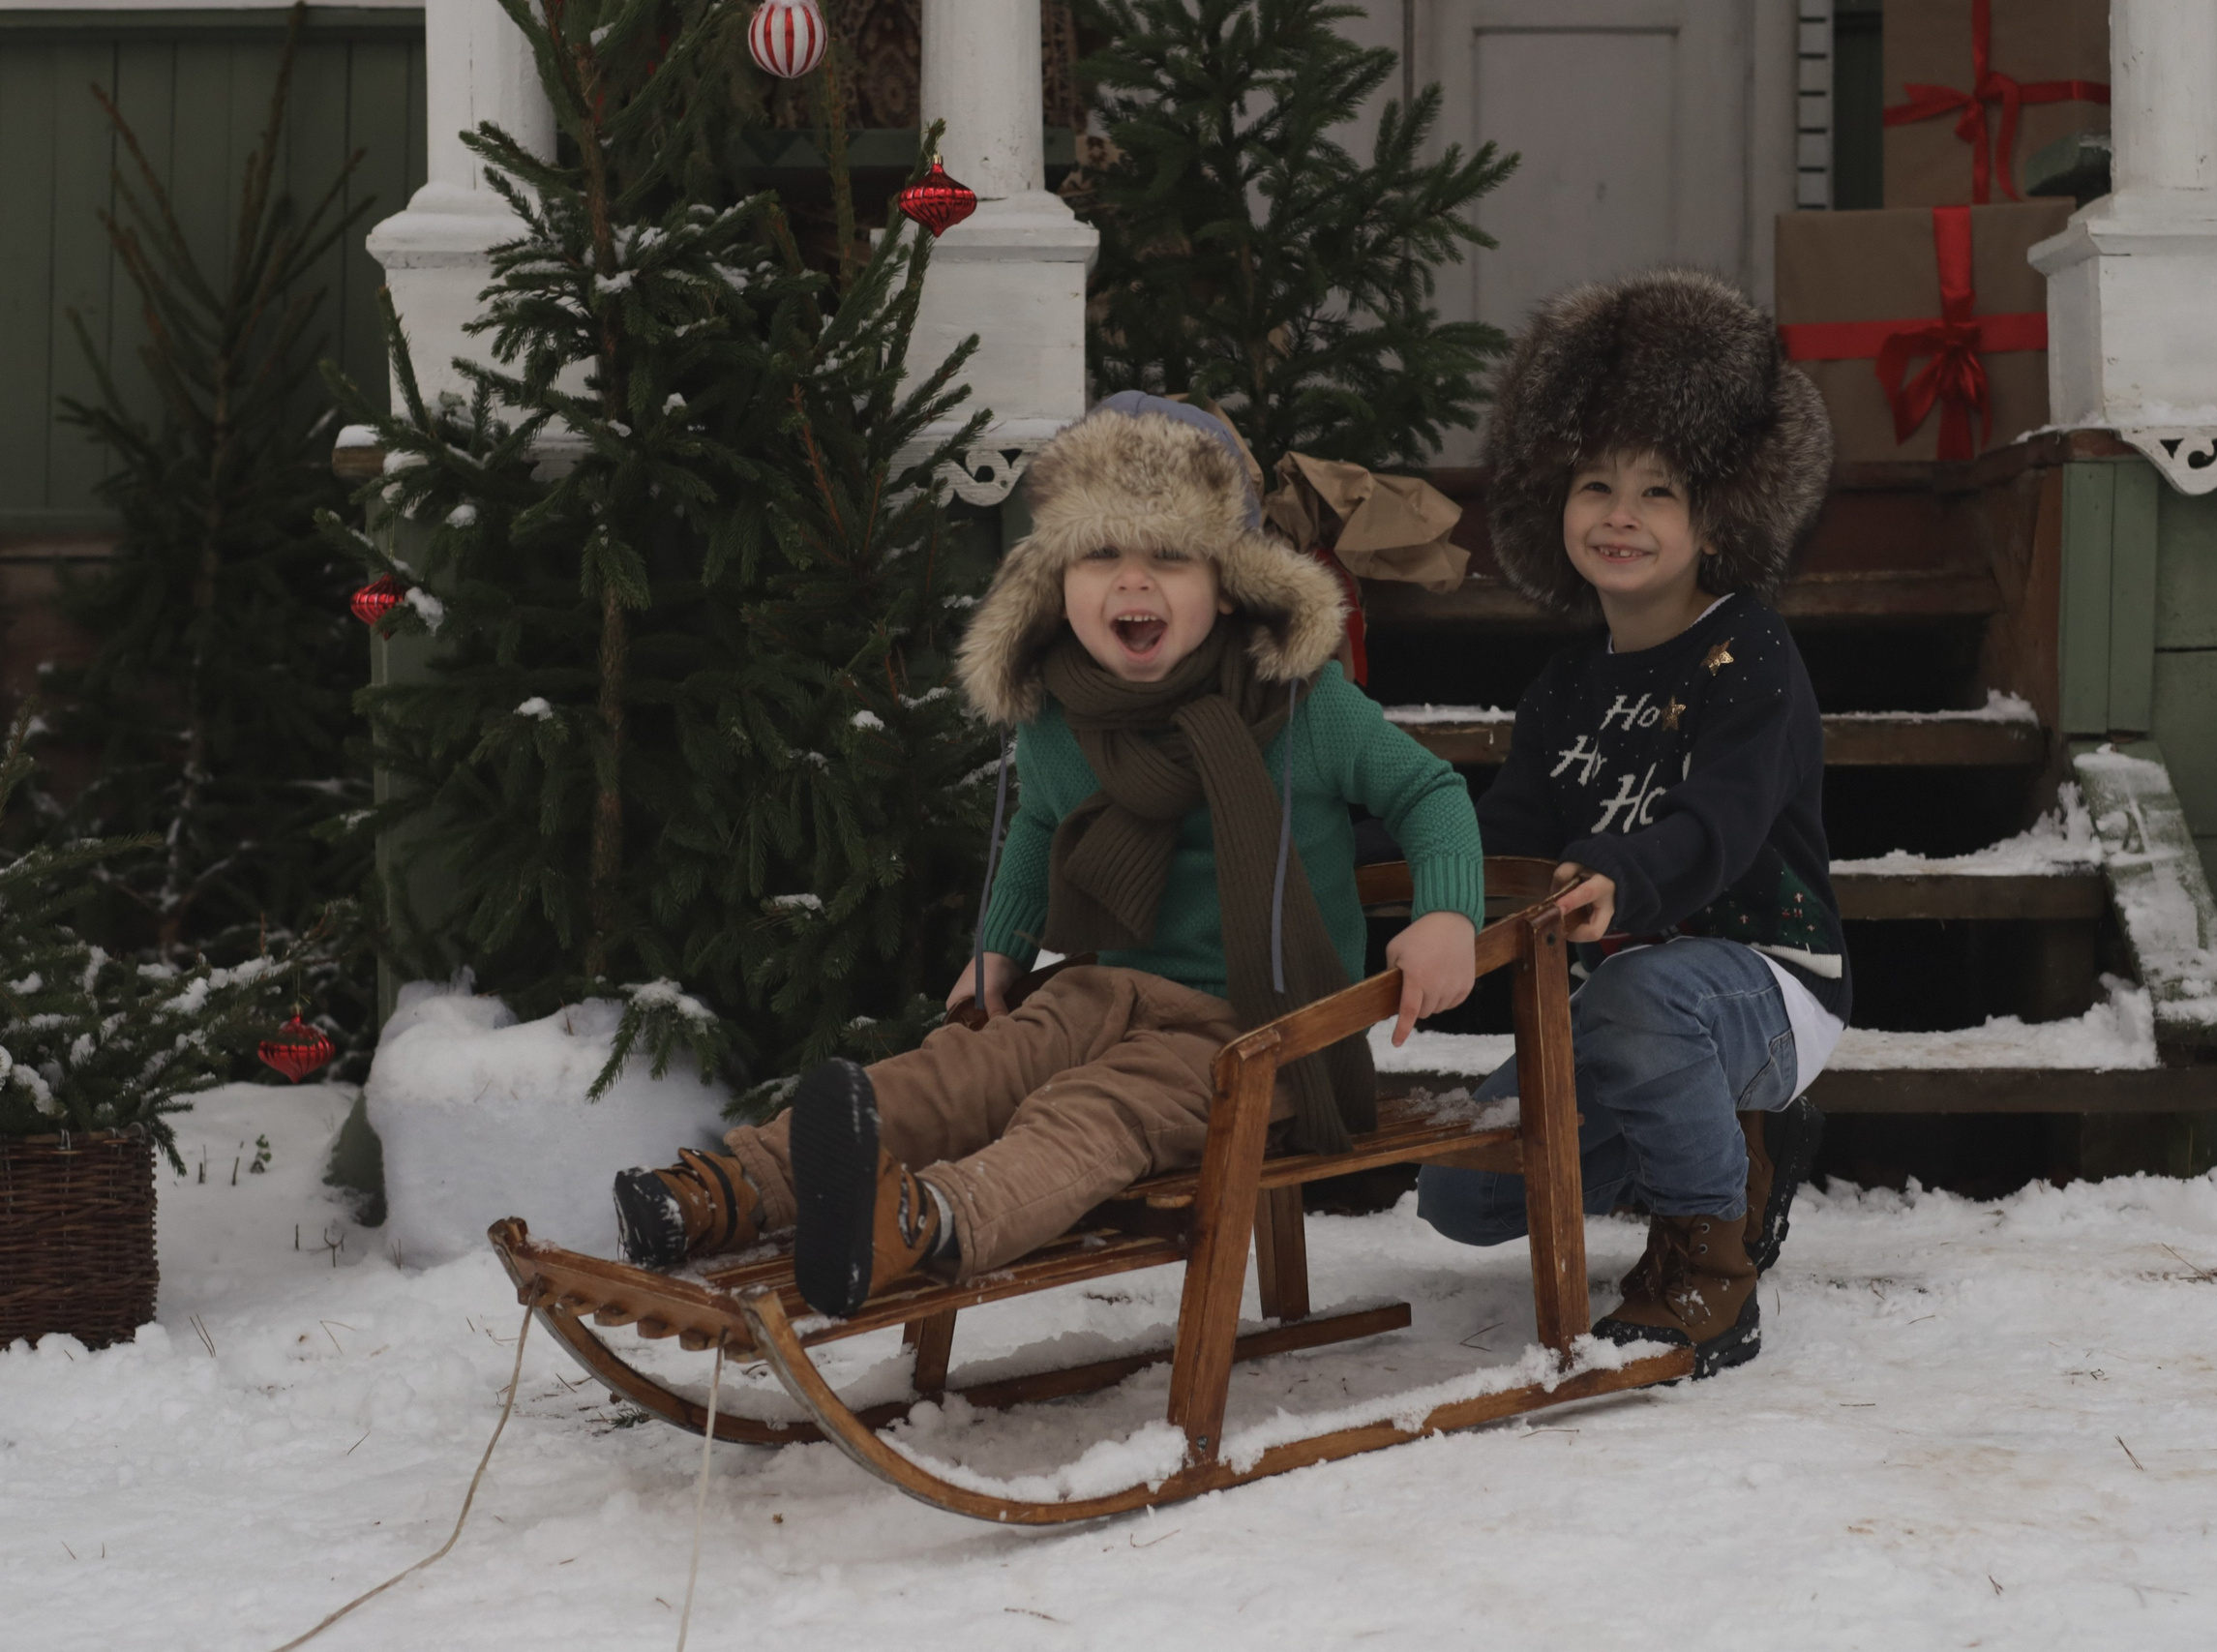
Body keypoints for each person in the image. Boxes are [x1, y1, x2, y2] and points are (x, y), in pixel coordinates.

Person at [612, 393, 1486, 1317]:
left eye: (1169, 557)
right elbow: (1039, 829)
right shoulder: (1062, 722)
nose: (1131, 583)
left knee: (1096, 1113)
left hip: (1255, 1027)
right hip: (1104, 989)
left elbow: (1429, 793)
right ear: (1056, 577)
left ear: (1229, 582)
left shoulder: (1299, 702)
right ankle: (735, 1188)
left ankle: (931, 1218)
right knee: (957, 1073)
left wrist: (1444, 915)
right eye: (1100, 552)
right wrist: (1001, 945)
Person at [1416, 270, 1844, 1379]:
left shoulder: (1748, 651)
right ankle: (1728, 1152)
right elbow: (1508, 834)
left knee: (1644, 991)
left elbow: (1723, 822)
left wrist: (1618, 871)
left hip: (1762, 979)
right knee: (1461, 1195)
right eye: (1595, 484)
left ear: (1717, 514)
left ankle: (1708, 1256)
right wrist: (1428, 883)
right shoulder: (1564, 684)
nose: (1619, 515)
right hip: (1606, 1005)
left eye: (1657, 492)